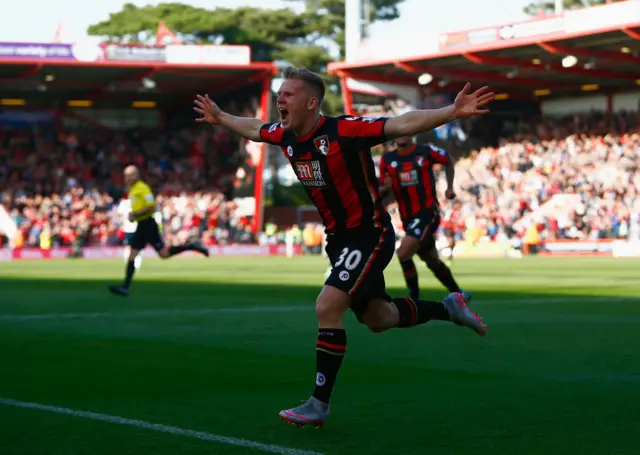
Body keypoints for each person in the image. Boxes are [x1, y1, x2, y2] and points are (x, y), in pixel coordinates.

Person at [193, 66, 493, 427]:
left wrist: (451, 112)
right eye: (279, 94)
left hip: (369, 233)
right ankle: (449, 307)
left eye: (288, 94)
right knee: (379, 319)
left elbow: (400, 124)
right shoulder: (285, 135)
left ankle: (318, 404)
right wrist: (221, 117)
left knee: (327, 305)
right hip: (338, 240)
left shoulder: (344, 130)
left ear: (311, 102)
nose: (280, 99)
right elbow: (255, 129)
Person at [378, 137, 463, 301]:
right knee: (432, 260)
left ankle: (414, 300)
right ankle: (459, 292)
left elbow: (448, 160)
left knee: (403, 253)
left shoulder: (425, 152)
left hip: (427, 212)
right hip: (407, 218)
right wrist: (384, 188)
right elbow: (383, 191)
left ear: (412, 133)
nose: (401, 135)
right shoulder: (387, 159)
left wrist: (450, 187)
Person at [107, 165, 209, 297]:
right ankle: (125, 287)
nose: (127, 178)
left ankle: (192, 245)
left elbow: (151, 206)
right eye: (126, 176)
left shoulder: (142, 188)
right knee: (132, 255)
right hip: (141, 225)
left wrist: (135, 214)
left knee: (164, 254)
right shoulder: (132, 190)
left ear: (136, 176)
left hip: (148, 225)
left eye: (129, 175)